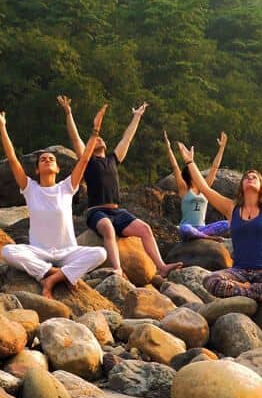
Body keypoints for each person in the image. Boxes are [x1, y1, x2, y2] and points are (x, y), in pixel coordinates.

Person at [176, 135, 262, 305]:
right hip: (239, 272)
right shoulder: (231, 208)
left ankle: (246, 290)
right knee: (210, 281)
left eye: (255, 177)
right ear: (241, 186)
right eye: (247, 177)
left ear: (261, 185)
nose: (250, 178)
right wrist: (189, 162)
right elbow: (205, 189)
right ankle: (258, 295)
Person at [57, 95, 181, 278]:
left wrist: (137, 116)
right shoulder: (87, 161)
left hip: (117, 211)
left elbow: (127, 139)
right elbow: (75, 139)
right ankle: (117, 269)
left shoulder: (113, 160)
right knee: (107, 227)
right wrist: (68, 113)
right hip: (96, 212)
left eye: (101, 140)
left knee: (145, 229)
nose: (99, 140)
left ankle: (161, 266)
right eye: (96, 140)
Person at [0, 102, 108, 298]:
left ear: (57, 169)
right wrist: (2, 127)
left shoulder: (66, 187)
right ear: (37, 169)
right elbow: (13, 159)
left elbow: (84, 160)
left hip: (67, 252)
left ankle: (51, 278)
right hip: (39, 252)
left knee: (100, 253)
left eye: (51, 159)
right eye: (43, 159)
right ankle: (56, 274)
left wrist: (95, 130)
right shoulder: (30, 188)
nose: (47, 160)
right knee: (7, 251)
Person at [163, 130, 229, 240]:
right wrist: (169, 148)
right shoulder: (184, 189)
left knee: (227, 223)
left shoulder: (205, 187)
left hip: (203, 229)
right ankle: (208, 238)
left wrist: (221, 148)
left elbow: (214, 167)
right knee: (184, 228)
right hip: (188, 229)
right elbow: (175, 167)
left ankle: (203, 236)